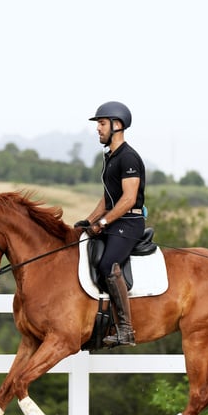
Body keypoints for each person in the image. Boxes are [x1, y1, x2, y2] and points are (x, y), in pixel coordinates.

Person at [74, 101, 146, 347]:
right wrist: (88, 222)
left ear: (118, 125)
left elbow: (127, 200)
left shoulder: (129, 157)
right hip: (114, 222)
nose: (98, 129)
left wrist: (102, 222)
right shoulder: (111, 158)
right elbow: (107, 199)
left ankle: (125, 329)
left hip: (129, 222)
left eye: (102, 124)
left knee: (108, 264)